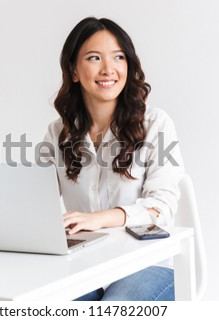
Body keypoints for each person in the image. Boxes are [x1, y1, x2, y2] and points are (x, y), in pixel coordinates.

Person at [41, 17, 185, 301]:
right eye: (94, 58)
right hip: (84, 267)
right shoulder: (59, 133)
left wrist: (99, 220)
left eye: (118, 57)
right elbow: (32, 200)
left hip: (147, 266)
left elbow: (162, 207)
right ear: (73, 70)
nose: (109, 69)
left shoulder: (155, 124)